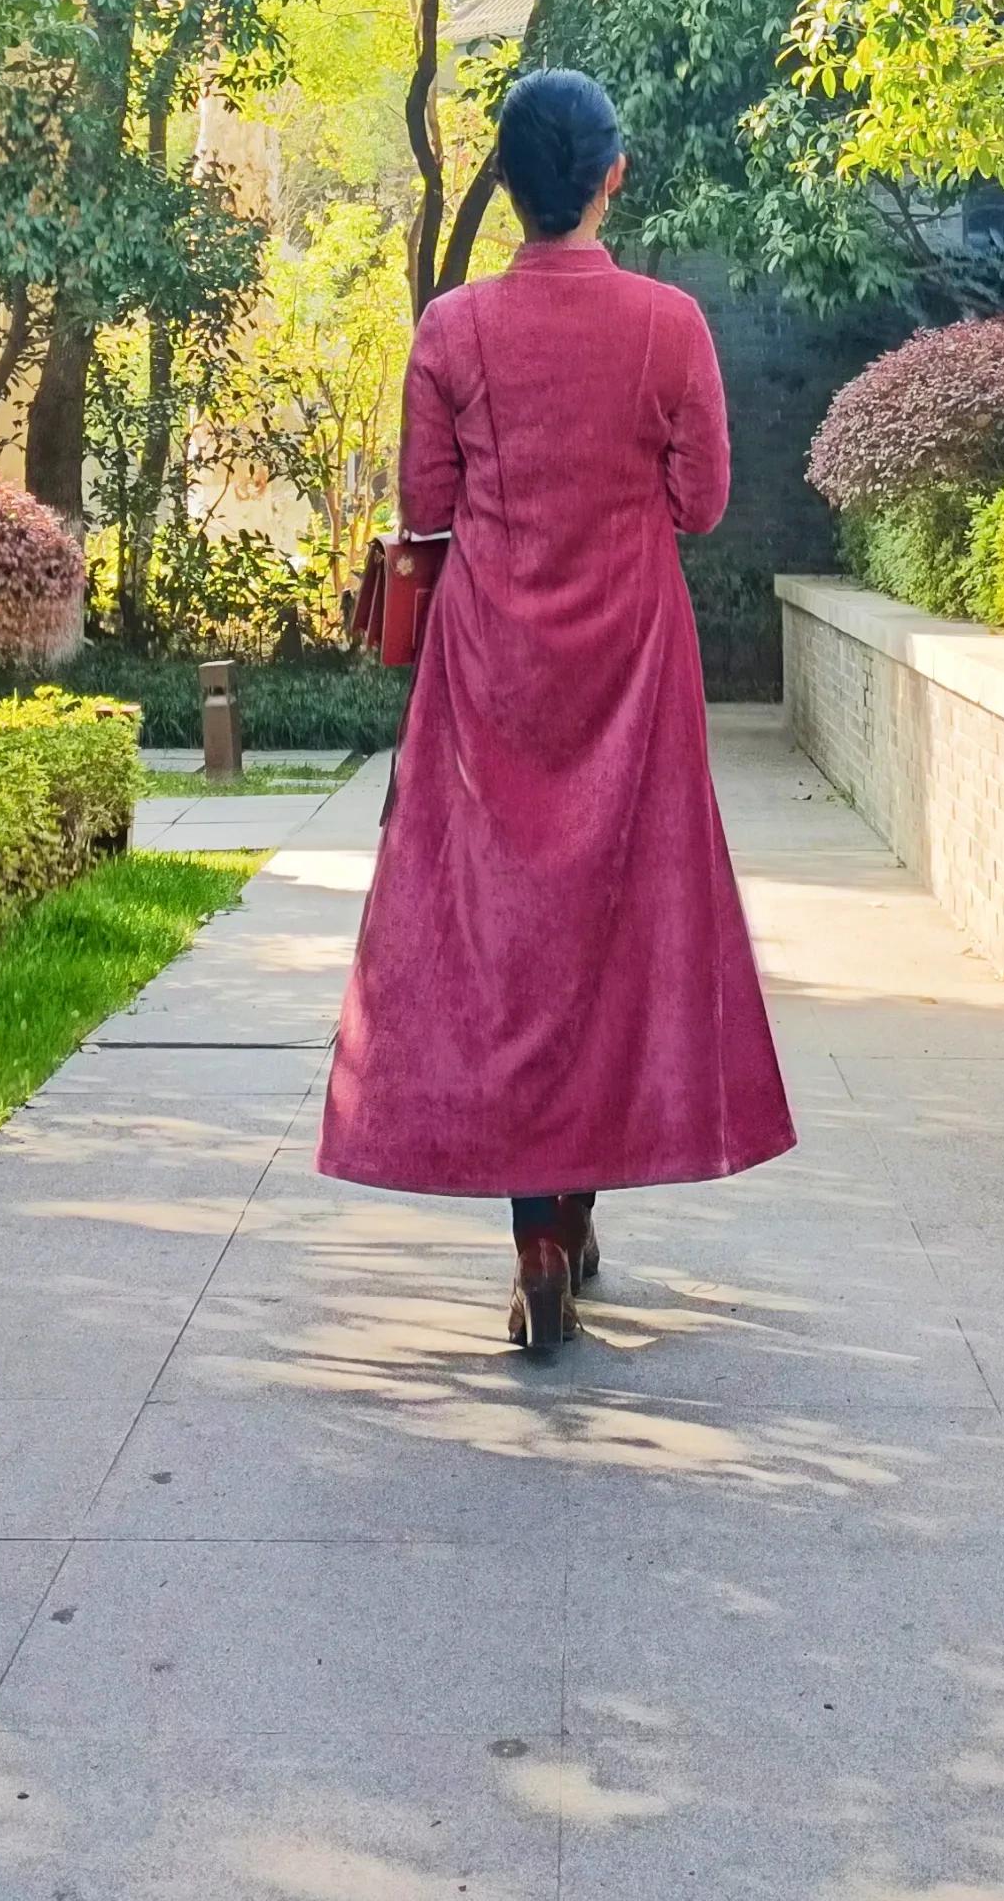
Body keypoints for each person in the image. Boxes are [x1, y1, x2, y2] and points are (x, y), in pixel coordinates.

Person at [317, 68, 796, 1357]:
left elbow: (427, 503)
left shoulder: (452, 329)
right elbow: (698, 506)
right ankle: (570, 1215)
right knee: (615, 924)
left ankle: (538, 1239)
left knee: (504, 928)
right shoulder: (671, 326)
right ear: (611, 177)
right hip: (633, 662)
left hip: (491, 670)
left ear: (509, 186)